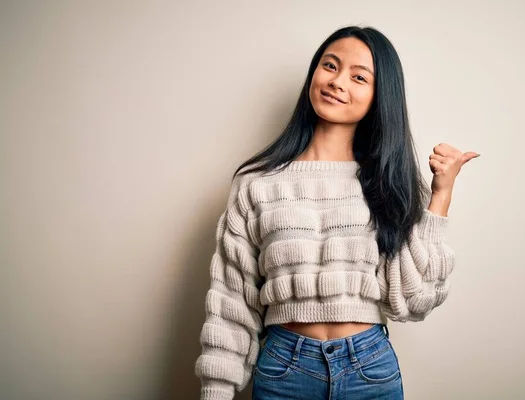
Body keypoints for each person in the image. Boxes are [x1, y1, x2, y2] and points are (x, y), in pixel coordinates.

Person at [194, 25, 479, 400]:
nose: (337, 81)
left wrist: (440, 196)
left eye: (359, 76)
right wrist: (216, 392)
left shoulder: (389, 185)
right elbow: (231, 302)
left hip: (370, 368)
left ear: (379, 96)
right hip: (284, 370)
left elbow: (414, 301)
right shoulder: (256, 183)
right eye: (330, 66)